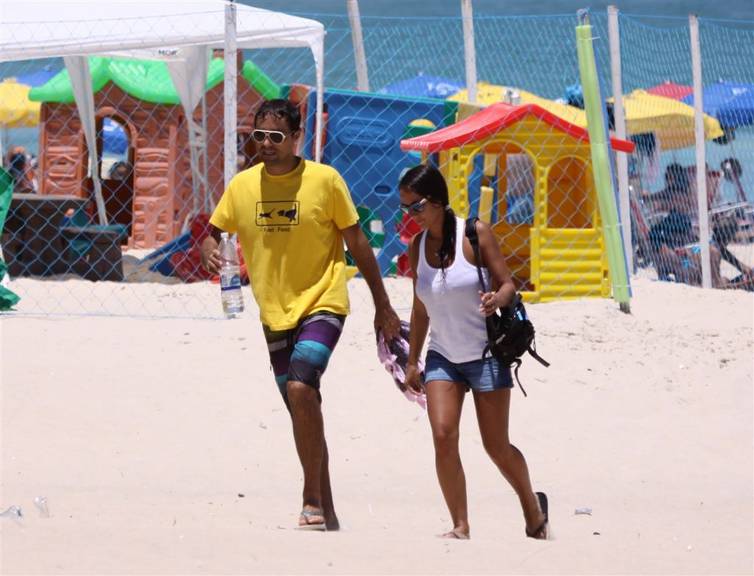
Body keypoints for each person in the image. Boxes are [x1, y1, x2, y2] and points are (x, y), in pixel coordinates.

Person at [200, 99, 400, 531]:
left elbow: (358, 242)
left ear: (296, 139)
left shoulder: (325, 181)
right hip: (273, 311)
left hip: (324, 300)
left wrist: (383, 305)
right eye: (259, 137)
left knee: (300, 384)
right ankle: (326, 511)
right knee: (301, 405)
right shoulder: (241, 186)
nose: (267, 145)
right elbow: (213, 233)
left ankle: (310, 499)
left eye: (276, 137)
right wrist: (211, 250)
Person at [399, 164, 548, 540]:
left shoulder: (474, 233)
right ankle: (460, 525)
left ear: (436, 202)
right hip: (442, 356)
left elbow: (509, 284)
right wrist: (413, 360)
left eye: (415, 207)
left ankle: (532, 506)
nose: (410, 216)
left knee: (496, 446)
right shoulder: (418, 247)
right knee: (443, 434)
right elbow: (420, 309)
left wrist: (495, 298)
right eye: (405, 209)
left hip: (485, 354)